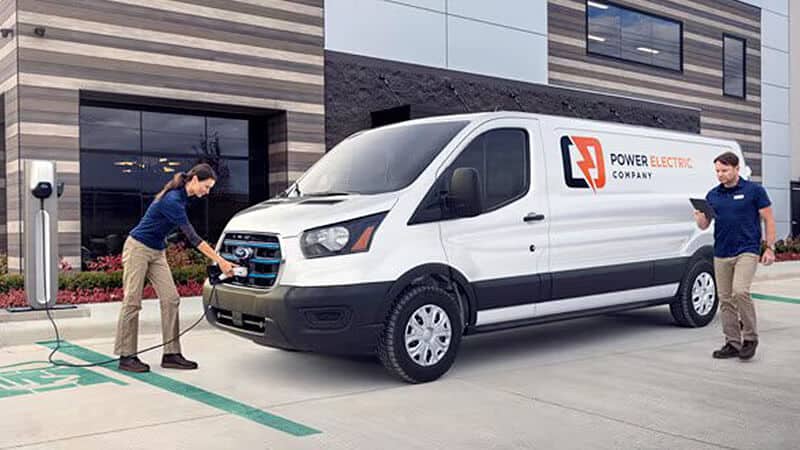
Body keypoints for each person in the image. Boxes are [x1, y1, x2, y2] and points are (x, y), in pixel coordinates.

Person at [114, 163, 236, 373]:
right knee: (132, 301)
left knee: (171, 299)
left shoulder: (181, 197)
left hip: (157, 251)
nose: (206, 192)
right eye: (206, 187)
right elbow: (193, 238)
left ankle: (171, 354)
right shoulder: (173, 200)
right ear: (195, 179)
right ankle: (126, 356)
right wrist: (221, 262)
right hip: (138, 249)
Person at [694, 152, 775, 361]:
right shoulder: (713, 195)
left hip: (747, 250)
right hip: (721, 251)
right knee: (725, 299)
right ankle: (732, 343)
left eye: (724, 170)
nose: (720, 175)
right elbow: (704, 225)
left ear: (736, 169)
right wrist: (700, 218)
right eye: (717, 171)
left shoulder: (754, 191)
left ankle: (750, 338)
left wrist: (769, 247)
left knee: (740, 291)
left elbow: (768, 219)